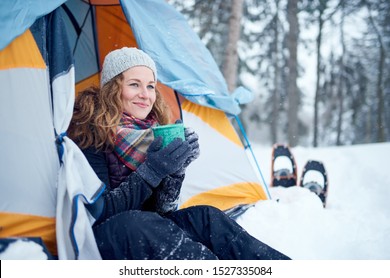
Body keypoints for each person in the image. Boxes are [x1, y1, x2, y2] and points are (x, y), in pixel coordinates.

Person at [67, 47, 290, 260]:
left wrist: (175, 169)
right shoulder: (90, 133)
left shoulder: (151, 132)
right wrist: (153, 170)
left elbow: (161, 210)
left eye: (151, 86)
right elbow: (99, 211)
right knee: (136, 223)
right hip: (105, 237)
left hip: (144, 228)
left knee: (206, 217)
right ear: (113, 88)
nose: (145, 95)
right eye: (134, 85)